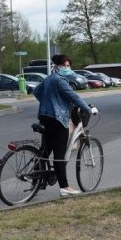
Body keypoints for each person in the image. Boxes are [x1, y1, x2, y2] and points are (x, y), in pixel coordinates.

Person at [33, 54, 98, 197]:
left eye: (68, 66)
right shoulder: (60, 81)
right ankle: (64, 187)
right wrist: (88, 109)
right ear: (56, 66)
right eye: (64, 66)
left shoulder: (49, 78)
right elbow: (74, 97)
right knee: (59, 154)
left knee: (46, 150)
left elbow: (36, 91)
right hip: (57, 119)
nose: (67, 68)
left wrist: (47, 103)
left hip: (44, 116)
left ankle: (36, 179)